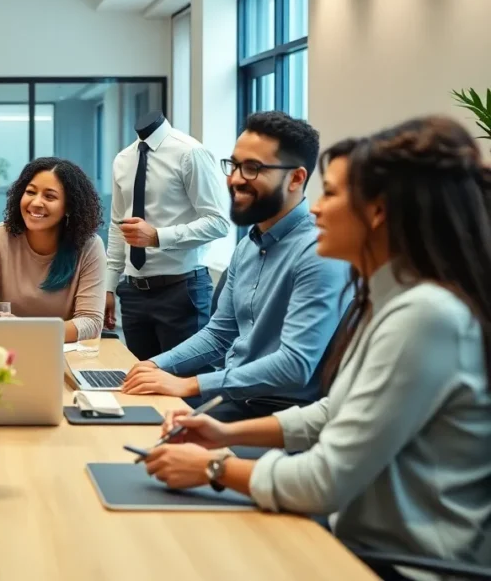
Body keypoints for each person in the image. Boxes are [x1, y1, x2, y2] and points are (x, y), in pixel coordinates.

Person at [142, 117, 491, 578]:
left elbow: (324, 480)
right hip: (360, 542)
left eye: (332, 193)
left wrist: (214, 467)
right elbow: (333, 412)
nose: (318, 209)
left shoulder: (425, 314)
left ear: (377, 212)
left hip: (396, 565)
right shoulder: (391, 299)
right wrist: (226, 435)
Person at [123, 112, 349, 421]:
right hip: (236, 400)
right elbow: (219, 335)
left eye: (252, 168)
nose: (235, 179)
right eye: (234, 166)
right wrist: (154, 366)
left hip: (282, 413)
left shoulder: (319, 252)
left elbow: (295, 365)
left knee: (154, 439)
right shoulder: (248, 246)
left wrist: (189, 384)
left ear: (296, 179)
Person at [105, 110, 229, 360]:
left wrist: (157, 237)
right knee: (142, 377)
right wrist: (108, 286)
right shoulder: (123, 159)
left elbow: (218, 222)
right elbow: (118, 226)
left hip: (182, 290)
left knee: (186, 378)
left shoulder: (190, 153)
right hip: (133, 293)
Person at [0, 157, 107, 343]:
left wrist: (27, 330)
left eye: (49, 196)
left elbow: (91, 322)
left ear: (69, 207)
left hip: (62, 353)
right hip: (6, 350)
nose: (36, 202)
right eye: (30, 192)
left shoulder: (89, 246)